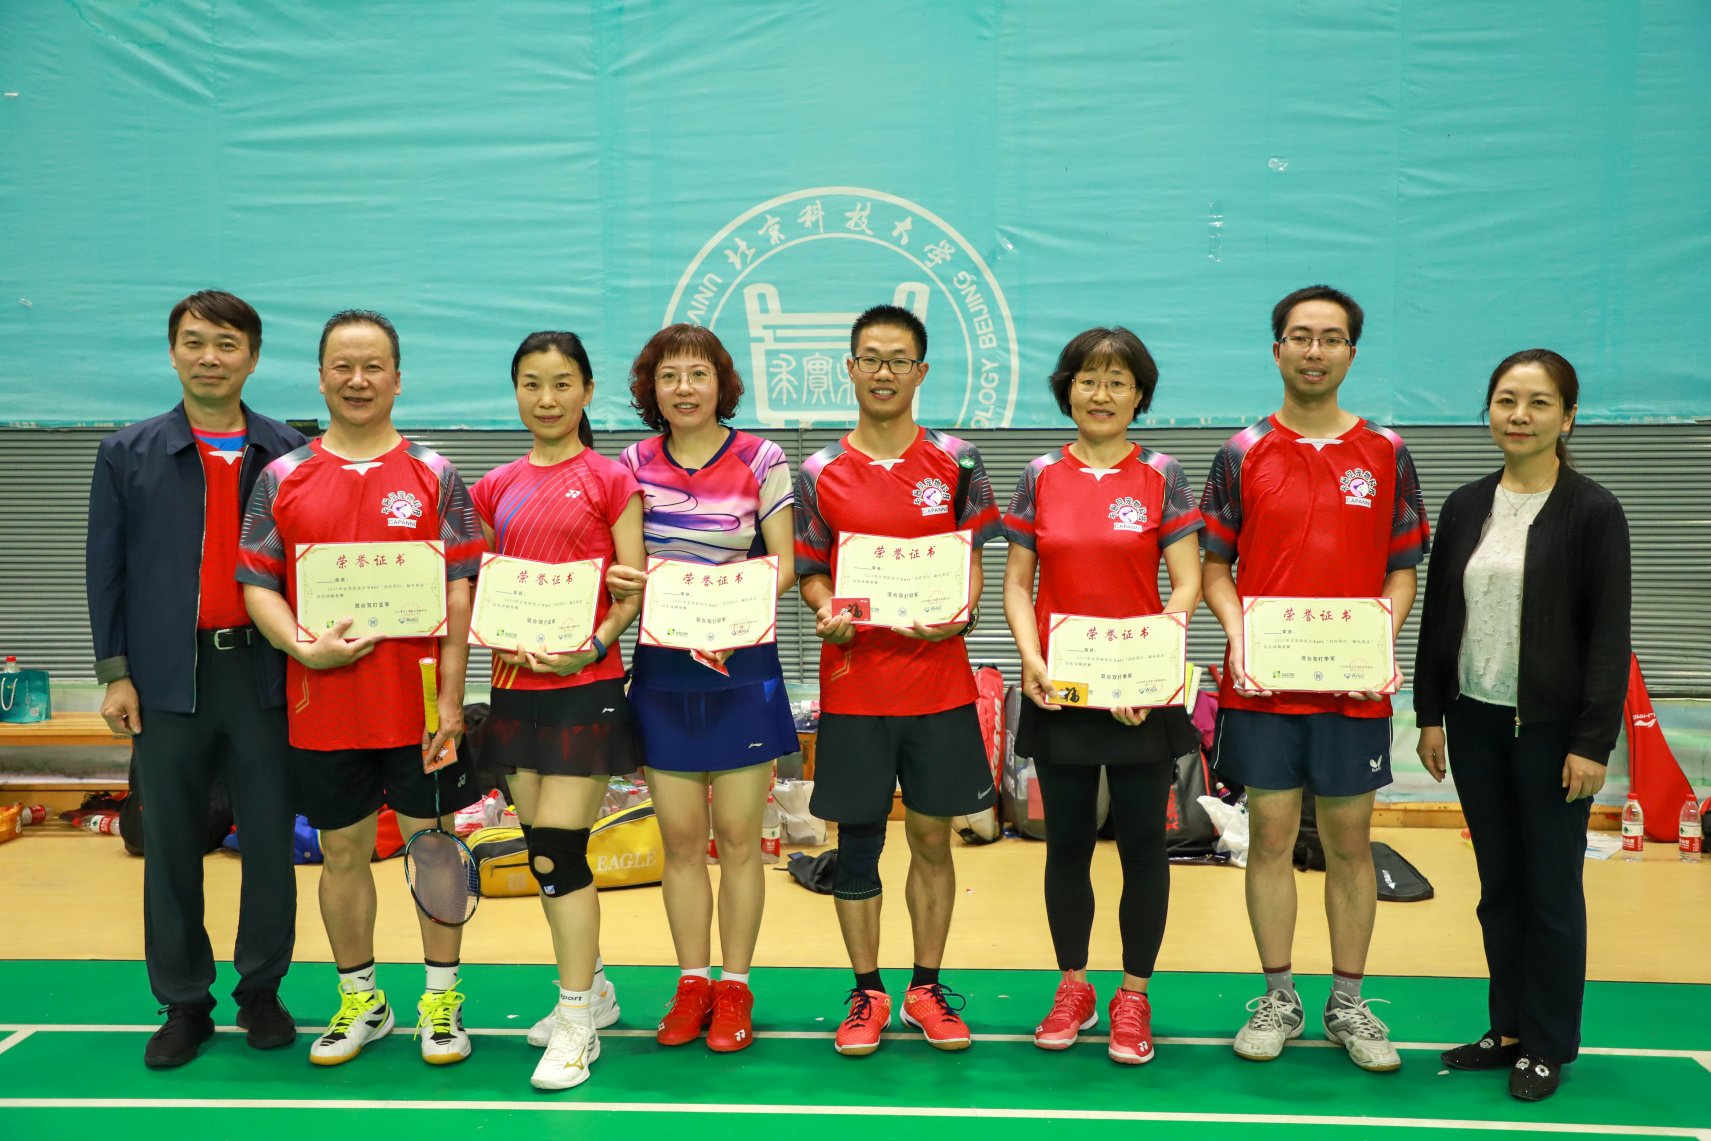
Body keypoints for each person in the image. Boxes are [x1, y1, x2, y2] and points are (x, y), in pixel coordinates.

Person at [237, 309, 483, 1068]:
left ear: (397, 379)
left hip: (417, 707)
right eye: (342, 366)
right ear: (320, 378)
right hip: (325, 705)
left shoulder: (436, 475)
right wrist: (300, 646)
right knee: (342, 853)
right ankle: (362, 1001)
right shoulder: (281, 477)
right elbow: (256, 582)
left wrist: (450, 701)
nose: (357, 379)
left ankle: (440, 1000)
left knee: (434, 850)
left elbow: (460, 588)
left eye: (373, 366)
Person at [1199, 285, 1430, 1072]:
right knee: (1267, 837)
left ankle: (1348, 1003)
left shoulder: (1386, 452)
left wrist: (1377, 640)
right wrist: (1238, 635)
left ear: (1350, 353)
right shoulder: (1241, 451)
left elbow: (1402, 568)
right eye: (1299, 336)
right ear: (1276, 350)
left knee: (1349, 842)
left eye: (1330, 338)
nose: (1313, 350)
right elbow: (1214, 566)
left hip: (1351, 688)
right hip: (1263, 686)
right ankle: (1278, 997)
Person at [86, 290, 304, 1068]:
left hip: (264, 673)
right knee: (172, 844)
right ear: (173, 351)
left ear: (253, 357)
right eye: (194, 341)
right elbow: (105, 572)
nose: (210, 357)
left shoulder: (290, 453)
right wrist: (116, 673)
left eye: (227, 343)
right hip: (166, 678)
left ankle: (262, 992)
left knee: (269, 842)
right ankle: (184, 1001)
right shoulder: (127, 453)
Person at [1414, 349, 1629, 1102]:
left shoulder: (1592, 511)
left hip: (1551, 733)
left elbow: (1608, 637)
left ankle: (1546, 1042)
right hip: (1472, 722)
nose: (1519, 415)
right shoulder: (1466, 504)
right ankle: (1505, 1027)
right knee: (1498, 886)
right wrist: (1429, 714)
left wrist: (1591, 741)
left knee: (1550, 891)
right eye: (1506, 399)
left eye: (1538, 402)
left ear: (1567, 417)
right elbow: (1440, 616)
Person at [793, 304, 1002, 1057]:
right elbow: (811, 570)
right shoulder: (819, 471)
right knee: (856, 847)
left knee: (932, 839)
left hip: (938, 686)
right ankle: (867, 992)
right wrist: (827, 608)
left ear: (921, 371)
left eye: (899, 360)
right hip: (855, 686)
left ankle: (925, 988)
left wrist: (962, 612)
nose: (884, 372)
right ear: (850, 369)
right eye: (871, 359)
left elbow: (972, 557)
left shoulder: (959, 460)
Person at [1001, 328, 1203, 1066]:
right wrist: (1031, 658)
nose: (1101, 394)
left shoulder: (1162, 474)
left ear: (1139, 395)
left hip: (1141, 693)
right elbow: (1017, 583)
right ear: (1067, 390)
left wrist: (1151, 668)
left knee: (1145, 844)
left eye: (1118, 381)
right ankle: (1073, 987)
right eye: (1088, 379)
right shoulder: (1039, 474)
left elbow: (1186, 580)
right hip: (1063, 689)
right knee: (1067, 845)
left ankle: (1133, 995)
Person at [605, 325, 798, 1053]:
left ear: (722, 383)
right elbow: (627, 567)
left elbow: (783, 564)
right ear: (650, 389)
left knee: (741, 842)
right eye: (668, 376)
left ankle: (736, 984)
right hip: (664, 673)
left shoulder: (762, 458)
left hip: (741, 667)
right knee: (682, 843)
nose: (683, 388)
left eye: (697, 374)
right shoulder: (629, 464)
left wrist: (728, 616)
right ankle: (692, 983)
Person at [473, 331, 645, 1090]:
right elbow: (483, 584)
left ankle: (576, 1019)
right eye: (532, 384)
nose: (547, 399)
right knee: (540, 851)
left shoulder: (611, 479)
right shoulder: (493, 486)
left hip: (585, 686)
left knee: (554, 853)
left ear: (587, 390)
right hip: (513, 688)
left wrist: (593, 645)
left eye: (562, 383)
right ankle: (595, 988)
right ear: (516, 390)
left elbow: (631, 586)